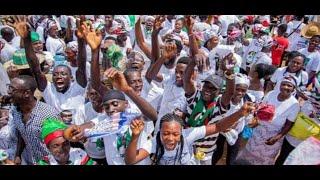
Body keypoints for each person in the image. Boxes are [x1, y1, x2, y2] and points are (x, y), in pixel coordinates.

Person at [124, 102, 255, 165]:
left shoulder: (189, 134)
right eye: (166, 133)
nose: (170, 139)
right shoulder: (154, 142)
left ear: (182, 131)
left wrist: (240, 113)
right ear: (160, 132)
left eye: (175, 134)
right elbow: (131, 160)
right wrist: (135, 137)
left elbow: (218, 127)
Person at [12, 15, 88, 124]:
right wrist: (26, 39)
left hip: (79, 136)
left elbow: (81, 67)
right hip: (56, 137)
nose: (59, 77)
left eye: (63, 74)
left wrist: (81, 41)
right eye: (55, 74)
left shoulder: (78, 88)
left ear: (71, 78)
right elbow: (35, 68)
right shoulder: (49, 90)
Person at [235, 76, 300, 165]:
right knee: (248, 155)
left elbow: (289, 124)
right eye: (283, 84)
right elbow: (261, 107)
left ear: (293, 89)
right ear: (280, 85)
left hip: (273, 135)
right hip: (258, 130)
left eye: (289, 86)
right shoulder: (272, 93)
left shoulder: (294, 104)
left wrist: (277, 137)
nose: (285, 87)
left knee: (264, 159)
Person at [8, 75, 60, 164]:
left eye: (13, 89)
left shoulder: (48, 115)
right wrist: (18, 155)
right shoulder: (15, 111)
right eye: (8, 87)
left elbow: (60, 146)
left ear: (27, 93)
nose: (8, 92)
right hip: (32, 160)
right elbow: (22, 132)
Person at [211, 73, 255, 165]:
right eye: (237, 89)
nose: (240, 93)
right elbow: (214, 115)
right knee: (217, 153)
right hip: (219, 131)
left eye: (243, 90)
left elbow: (248, 119)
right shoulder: (222, 99)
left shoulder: (248, 100)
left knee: (232, 156)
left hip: (237, 131)